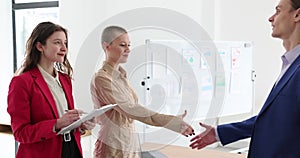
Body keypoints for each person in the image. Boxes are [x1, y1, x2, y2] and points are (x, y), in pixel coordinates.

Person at [190, 0, 300, 157]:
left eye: (278, 11)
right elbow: (272, 119)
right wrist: (219, 133)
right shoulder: (290, 64)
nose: (271, 18)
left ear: (297, 15)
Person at [90, 25, 195, 158]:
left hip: (130, 142)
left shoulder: (122, 75)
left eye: (129, 45)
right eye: (123, 45)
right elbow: (130, 109)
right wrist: (169, 121)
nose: (128, 49)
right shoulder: (102, 78)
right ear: (107, 46)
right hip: (112, 144)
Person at [7, 21, 94, 158]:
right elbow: (21, 133)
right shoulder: (22, 82)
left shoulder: (65, 79)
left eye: (65, 43)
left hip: (72, 149)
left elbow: (64, 121)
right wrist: (57, 124)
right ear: (40, 46)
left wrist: (79, 125)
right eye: (57, 42)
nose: (64, 48)